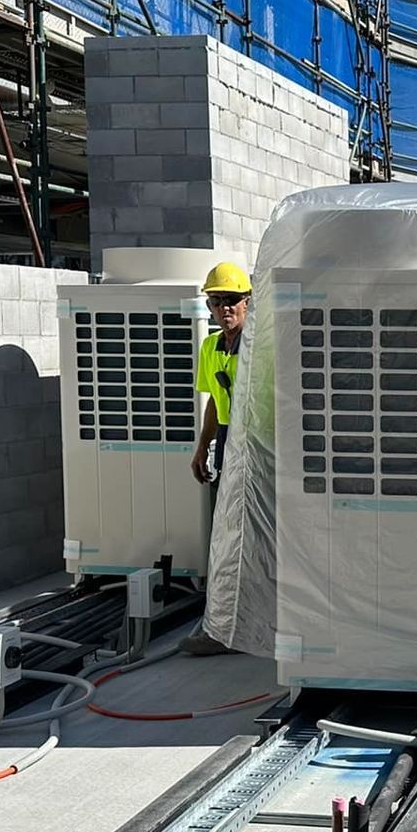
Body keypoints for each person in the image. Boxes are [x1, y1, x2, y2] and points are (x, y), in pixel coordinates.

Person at [183, 262, 251, 657]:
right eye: (217, 301)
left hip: (256, 443)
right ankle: (228, 626)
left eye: (232, 300)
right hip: (228, 440)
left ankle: (237, 628)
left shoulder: (258, 346)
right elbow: (212, 402)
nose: (224, 308)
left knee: (249, 538)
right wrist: (202, 446)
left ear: (246, 303)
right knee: (228, 537)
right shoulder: (211, 348)